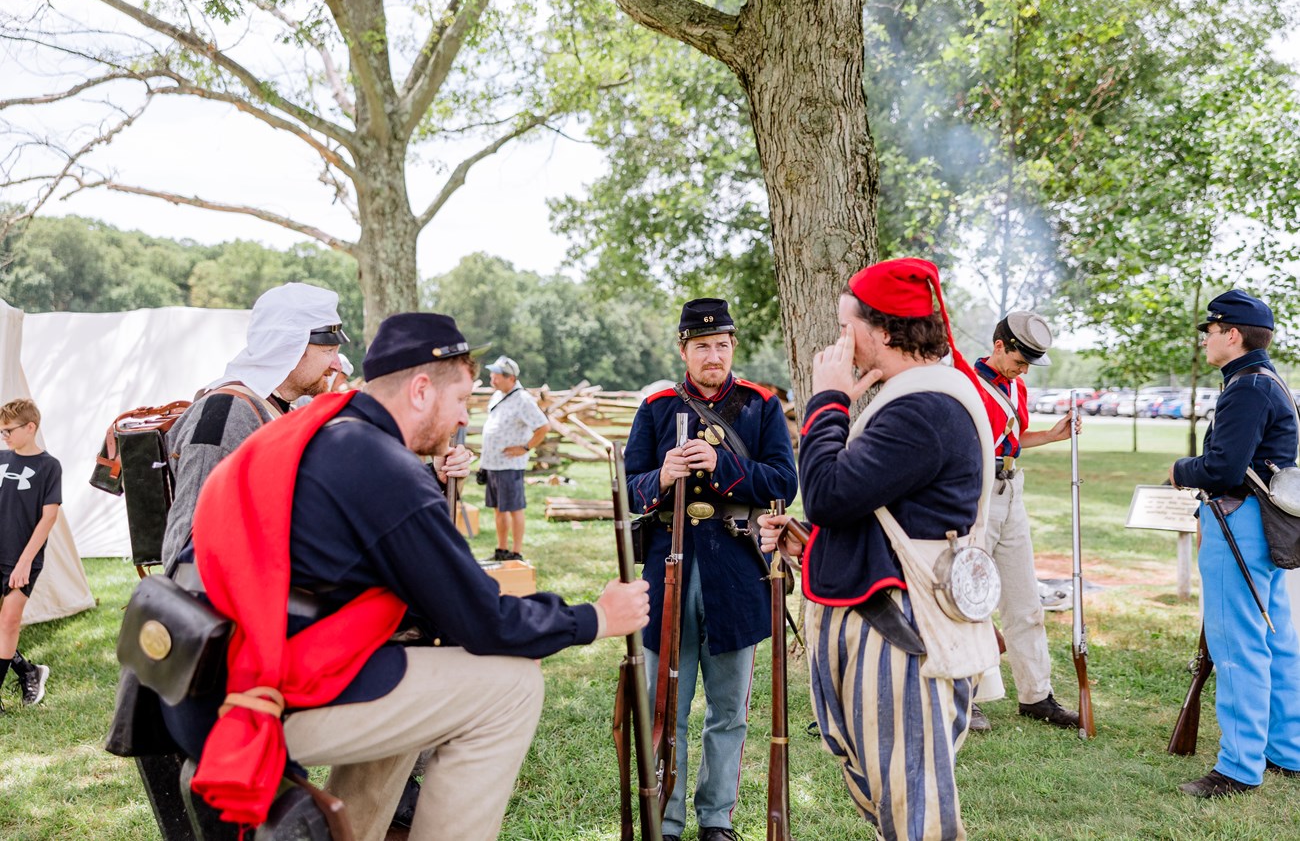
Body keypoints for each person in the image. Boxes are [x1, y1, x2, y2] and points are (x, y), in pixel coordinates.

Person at [161, 312, 650, 841]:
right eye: (461, 401)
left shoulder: (331, 430)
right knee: (511, 686)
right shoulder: (380, 466)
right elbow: (484, 621)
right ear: (421, 390)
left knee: (427, 668)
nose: (463, 418)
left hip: (203, 677)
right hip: (240, 702)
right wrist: (598, 617)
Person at [759, 258, 992, 841]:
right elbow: (888, 516)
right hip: (891, 615)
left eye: (848, 326)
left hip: (900, 630)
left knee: (915, 807)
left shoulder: (923, 406)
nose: (842, 341)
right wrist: (811, 542)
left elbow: (830, 494)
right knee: (891, 791)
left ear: (884, 331)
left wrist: (827, 402)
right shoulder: (914, 397)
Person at [623, 298, 798, 841]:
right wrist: (663, 477)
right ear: (683, 350)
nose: (713, 355)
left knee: (730, 710)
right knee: (665, 707)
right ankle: (667, 819)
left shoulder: (760, 407)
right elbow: (630, 486)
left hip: (737, 567)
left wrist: (722, 467)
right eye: (702, 346)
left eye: (722, 345)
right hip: (668, 566)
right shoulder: (654, 409)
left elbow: (782, 482)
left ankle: (716, 819)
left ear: (732, 347)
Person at [1170, 289, 1300, 798]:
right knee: (1277, 642)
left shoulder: (1246, 386)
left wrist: (1180, 470)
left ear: (1232, 334)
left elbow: (1223, 469)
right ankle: (1287, 751)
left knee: (1238, 647)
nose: (1205, 338)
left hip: (1239, 521)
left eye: (1211, 329)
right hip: (1262, 523)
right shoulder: (1269, 381)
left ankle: (1240, 767)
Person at [160, 281, 349, 568]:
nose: (337, 365)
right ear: (291, 347)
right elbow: (191, 540)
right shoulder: (225, 412)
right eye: (328, 351)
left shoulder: (277, 407)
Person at [963, 311, 1081, 731]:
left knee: (1025, 599)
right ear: (999, 346)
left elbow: (1014, 440)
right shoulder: (965, 382)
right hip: (975, 493)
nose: (1024, 368)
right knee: (970, 597)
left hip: (1012, 489)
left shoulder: (1016, 387)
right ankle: (968, 694)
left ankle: (1036, 695)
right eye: (1020, 359)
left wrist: (1052, 435)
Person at [0, 398, 59, 714]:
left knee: (9, 620)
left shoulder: (49, 467)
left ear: (30, 427)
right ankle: (27, 670)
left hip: (23, 558)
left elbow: (48, 517)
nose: (4, 436)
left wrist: (24, 561)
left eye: (8, 430)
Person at [479, 355, 550, 561]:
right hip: (493, 463)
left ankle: (516, 552)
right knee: (498, 509)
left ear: (510, 378)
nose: (492, 378)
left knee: (513, 508)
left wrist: (525, 447)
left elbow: (543, 426)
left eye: (497, 375)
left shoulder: (523, 399)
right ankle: (501, 550)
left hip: (509, 464)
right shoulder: (498, 395)